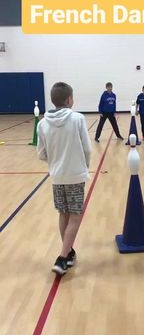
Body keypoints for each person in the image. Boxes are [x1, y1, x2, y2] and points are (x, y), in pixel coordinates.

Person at [37, 82, 92, 275]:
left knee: (64, 214)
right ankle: (62, 257)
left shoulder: (42, 123)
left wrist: (56, 163)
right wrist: (84, 166)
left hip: (57, 177)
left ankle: (68, 253)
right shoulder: (77, 119)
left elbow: (42, 154)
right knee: (75, 217)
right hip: (75, 175)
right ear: (69, 99)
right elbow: (87, 148)